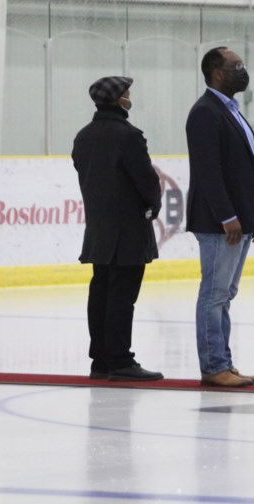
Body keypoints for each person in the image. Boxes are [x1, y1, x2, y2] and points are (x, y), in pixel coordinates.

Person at [186, 47, 254, 387]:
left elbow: (250, 166)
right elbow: (209, 171)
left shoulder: (230, 110)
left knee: (225, 293)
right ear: (216, 71)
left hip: (239, 222)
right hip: (220, 223)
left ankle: (223, 362)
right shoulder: (205, 112)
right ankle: (214, 367)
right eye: (237, 65)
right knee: (215, 293)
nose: (243, 70)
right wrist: (227, 216)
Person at [72, 76, 163, 381]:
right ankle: (121, 361)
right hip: (128, 229)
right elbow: (147, 181)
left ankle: (100, 360)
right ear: (117, 100)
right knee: (123, 296)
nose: (130, 97)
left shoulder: (83, 137)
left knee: (100, 292)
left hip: (98, 228)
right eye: (127, 93)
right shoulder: (128, 136)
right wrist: (153, 204)